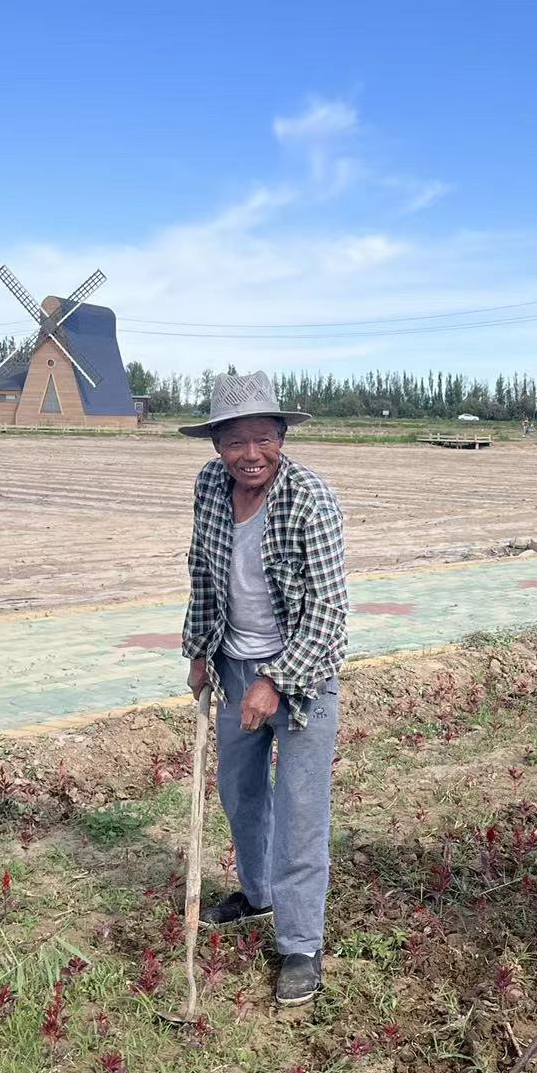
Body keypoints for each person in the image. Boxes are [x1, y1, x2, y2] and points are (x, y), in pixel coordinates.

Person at [178, 371, 349, 1008]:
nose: (251, 455)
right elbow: (202, 569)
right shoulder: (209, 488)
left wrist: (276, 680)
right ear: (216, 444)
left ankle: (301, 944)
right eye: (235, 442)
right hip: (233, 664)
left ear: (281, 436)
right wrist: (199, 649)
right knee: (240, 791)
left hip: (303, 676)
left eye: (263, 439)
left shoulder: (309, 498)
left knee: (301, 811)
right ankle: (257, 894)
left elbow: (329, 612)